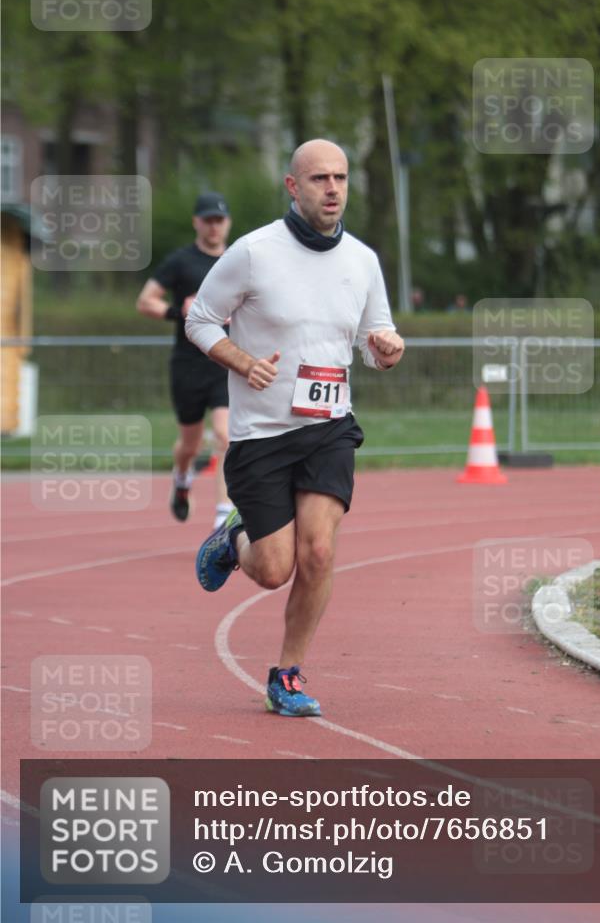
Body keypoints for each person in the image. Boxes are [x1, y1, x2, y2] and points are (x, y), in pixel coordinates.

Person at [185, 139, 405, 718]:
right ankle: (235, 539)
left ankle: (286, 675)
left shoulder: (362, 260)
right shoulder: (253, 253)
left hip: (329, 428)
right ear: (293, 186)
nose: (332, 189)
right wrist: (242, 361)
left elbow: (375, 338)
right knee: (274, 568)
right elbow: (200, 320)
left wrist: (388, 348)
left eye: (340, 178)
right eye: (319, 179)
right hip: (260, 436)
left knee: (320, 551)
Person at [136, 192, 234, 530]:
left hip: (224, 361)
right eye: (207, 220)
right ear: (197, 222)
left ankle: (223, 516)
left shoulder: (237, 261)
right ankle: (181, 479)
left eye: (218, 220)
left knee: (225, 435)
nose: (213, 226)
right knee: (190, 443)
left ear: (228, 223)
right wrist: (178, 312)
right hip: (187, 364)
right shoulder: (181, 262)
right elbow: (145, 300)